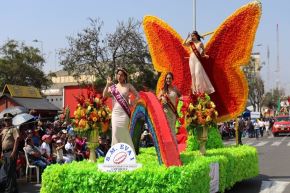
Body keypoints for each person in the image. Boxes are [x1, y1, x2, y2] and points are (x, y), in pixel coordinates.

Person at [103, 67, 139, 151]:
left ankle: (128, 152)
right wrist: (107, 84)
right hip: (115, 114)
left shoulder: (128, 86)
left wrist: (132, 103)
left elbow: (137, 95)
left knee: (124, 132)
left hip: (124, 113)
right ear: (116, 76)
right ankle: (115, 153)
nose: (120, 76)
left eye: (122, 75)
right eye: (118, 74)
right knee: (115, 132)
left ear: (125, 77)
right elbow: (104, 95)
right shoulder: (113, 87)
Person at [157, 72, 181, 140]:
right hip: (165, 112)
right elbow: (157, 99)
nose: (168, 80)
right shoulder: (163, 90)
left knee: (172, 129)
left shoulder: (175, 89)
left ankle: (173, 145)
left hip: (173, 113)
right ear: (165, 80)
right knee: (166, 129)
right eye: (167, 78)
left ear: (172, 79)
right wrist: (162, 98)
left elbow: (181, 98)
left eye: (170, 78)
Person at [0, 113, 20, 193]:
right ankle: (13, 190)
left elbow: (17, 140)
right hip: (5, 152)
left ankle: (9, 190)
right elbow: (2, 142)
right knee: (7, 171)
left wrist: (14, 152)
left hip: (11, 152)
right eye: (5, 120)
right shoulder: (4, 130)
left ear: (11, 120)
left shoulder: (13, 129)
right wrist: (2, 152)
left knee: (10, 172)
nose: (7, 121)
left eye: (8, 120)